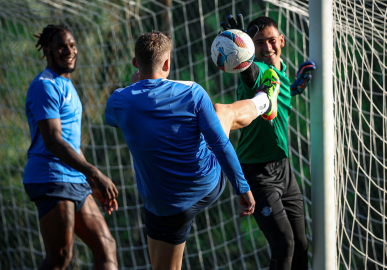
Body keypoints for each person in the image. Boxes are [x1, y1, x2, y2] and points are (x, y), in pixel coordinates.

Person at [105, 30, 280, 270]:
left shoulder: (118, 101)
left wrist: (136, 87)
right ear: (167, 63)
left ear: (136, 62)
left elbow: (114, 118)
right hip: (202, 185)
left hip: (160, 200)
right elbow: (219, 144)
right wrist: (242, 188)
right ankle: (265, 100)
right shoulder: (192, 92)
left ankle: (265, 101)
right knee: (224, 113)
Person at [220, 15, 316, 270]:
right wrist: (240, 49)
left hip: (284, 170)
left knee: (301, 245)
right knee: (283, 244)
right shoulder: (260, 69)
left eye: (271, 41)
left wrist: (295, 87)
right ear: (252, 48)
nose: (267, 47)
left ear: (282, 41)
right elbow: (253, 76)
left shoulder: (281, 72)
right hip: (257, 172)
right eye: (259, 43)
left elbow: (281, 86)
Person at [24, 24, 119, 270]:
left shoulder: (68, 86)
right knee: (60, 257)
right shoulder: (45, 86)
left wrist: (90, 182)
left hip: (74, 179)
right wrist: (95, 173)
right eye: (61, 47)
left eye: (72, 45)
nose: (69, 51)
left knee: (107, 246)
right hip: (52, 177)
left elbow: (72, 144)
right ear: (47, 51)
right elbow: (54, 141)